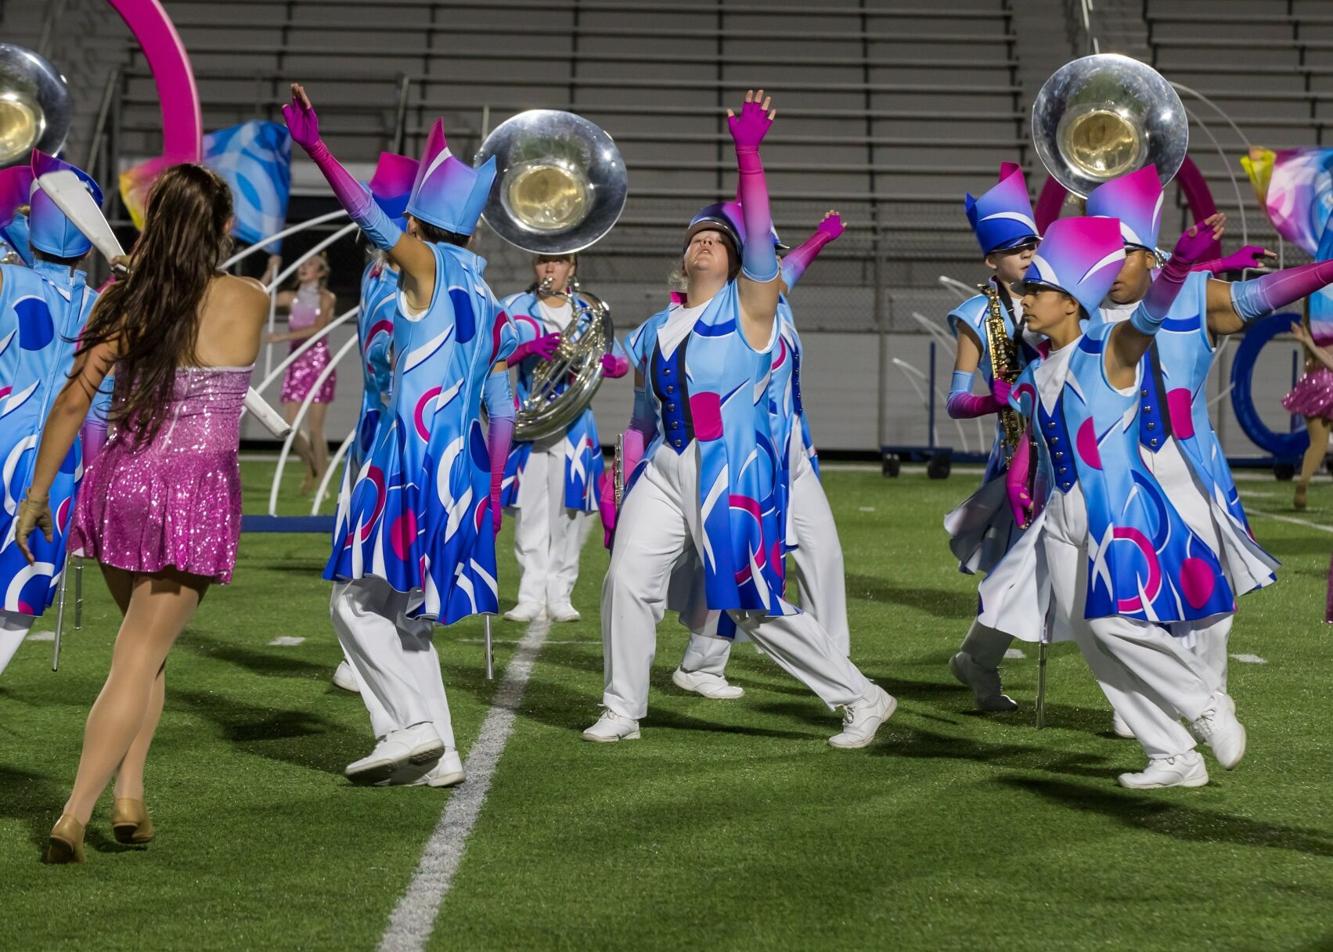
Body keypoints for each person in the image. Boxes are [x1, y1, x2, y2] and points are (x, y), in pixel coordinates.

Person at [588, 90, 892, 748]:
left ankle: (861, 697)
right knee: (625, 581)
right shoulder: (655, 327)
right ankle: (622, 707)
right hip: (663, 469)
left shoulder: (751, 312)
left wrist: (748, 156)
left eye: (716, 240)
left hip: (728, 469)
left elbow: (764, 243)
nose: (703, 243)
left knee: (751, 603)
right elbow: (634, 404)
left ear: (738, 261)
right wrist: (621, 476)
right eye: (695, 237)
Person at [16, 163, 269, 862]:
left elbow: (73, 402)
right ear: (220, 229)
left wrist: (38, 496)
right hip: (192, 494)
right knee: (136, 658)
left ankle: (131, 798)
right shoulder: (252, 297)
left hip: (122, 483)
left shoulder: (124, 300)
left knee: (146, 655)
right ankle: (74, 814)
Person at [286, 85, 517, 787]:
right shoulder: (489, 298)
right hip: (463, 469)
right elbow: (499, 406)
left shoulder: (430, 269)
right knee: (403, 615)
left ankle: (407, 728)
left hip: (409, 461)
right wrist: (496, 488)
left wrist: (319, 149)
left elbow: (372, 221)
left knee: (353, 602)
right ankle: (440, 752)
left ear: (418, 224)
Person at [980, 214, 1249, 789]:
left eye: (1038, 291)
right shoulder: (1036, 372)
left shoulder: (1108, 352)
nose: (1026, 300)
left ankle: (1206, 704)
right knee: (1095, 642)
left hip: (1116, 517)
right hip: (1059, 524)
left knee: (1119, 627)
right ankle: (1171, 754)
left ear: (1072, 302)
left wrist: (1177, 266)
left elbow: (1148, 318)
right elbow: (1022, 436)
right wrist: (1004, 442)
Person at [664, 210, 852, 700]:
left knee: (822, 554)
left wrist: (820, 238)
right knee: (727, 556)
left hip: (788, 453)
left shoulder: (776, 302)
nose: (780, 262)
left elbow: (794, 268)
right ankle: (702, 662)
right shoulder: (739, 308)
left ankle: (837, 664)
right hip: (745, 453)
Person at [0, 152, 107, 679]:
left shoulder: (4, 282)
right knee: (20, 584)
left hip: (2, 440)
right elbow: (101, 408)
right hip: (59, 465)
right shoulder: (106, 308)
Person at [941, 163, 1042, 712]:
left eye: (1031, 243)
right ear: (990, 259)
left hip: (1073, 445)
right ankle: (978, 662)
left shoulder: (1061, 296)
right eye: (1014, 246)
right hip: (1017, 455)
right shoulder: (976, 315)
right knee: (1016, 567)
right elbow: (955, 400)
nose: (1027, 253)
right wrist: (989, 399)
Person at [326, 151, 418, 699]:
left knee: (382, 542)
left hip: (389, 430)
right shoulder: (383, 276)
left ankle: (382, 648)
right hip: (382, 429)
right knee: (373, 545)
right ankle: (368, 654)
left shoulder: (392, 274)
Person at [500, 252, 628, 623]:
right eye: (542, 261)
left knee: (568, 515)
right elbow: (489, 356)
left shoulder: (588, 312)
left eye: (558, 261)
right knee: (530, 513)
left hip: (574, 428)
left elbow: (619, 362)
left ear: (573, 267)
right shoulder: (514, 307)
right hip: (531, 424)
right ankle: (529, 594)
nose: (550, 268)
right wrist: (524, 349)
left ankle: (560, 593)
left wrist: (607, 362)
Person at [265, 250, 337, 493]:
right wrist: (270, 270)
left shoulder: (326, 298)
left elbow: (317, 329)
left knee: (316, 428)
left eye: (310, 264)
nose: (303, 268)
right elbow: (260, 295)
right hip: (296, 364)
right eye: (302, 264)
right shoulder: (290, 297)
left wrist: (283, 336)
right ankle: (313, 466)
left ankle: (323, 481)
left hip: (318, 364)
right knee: (290, 426)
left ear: (320, 272)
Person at [1283, 314, 1333, 510]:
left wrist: (1307, 343)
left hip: (1314, 383)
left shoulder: (1314, 323)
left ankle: (1304, 481)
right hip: (1330, 381)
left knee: (1317, 444)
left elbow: (1311, 363)